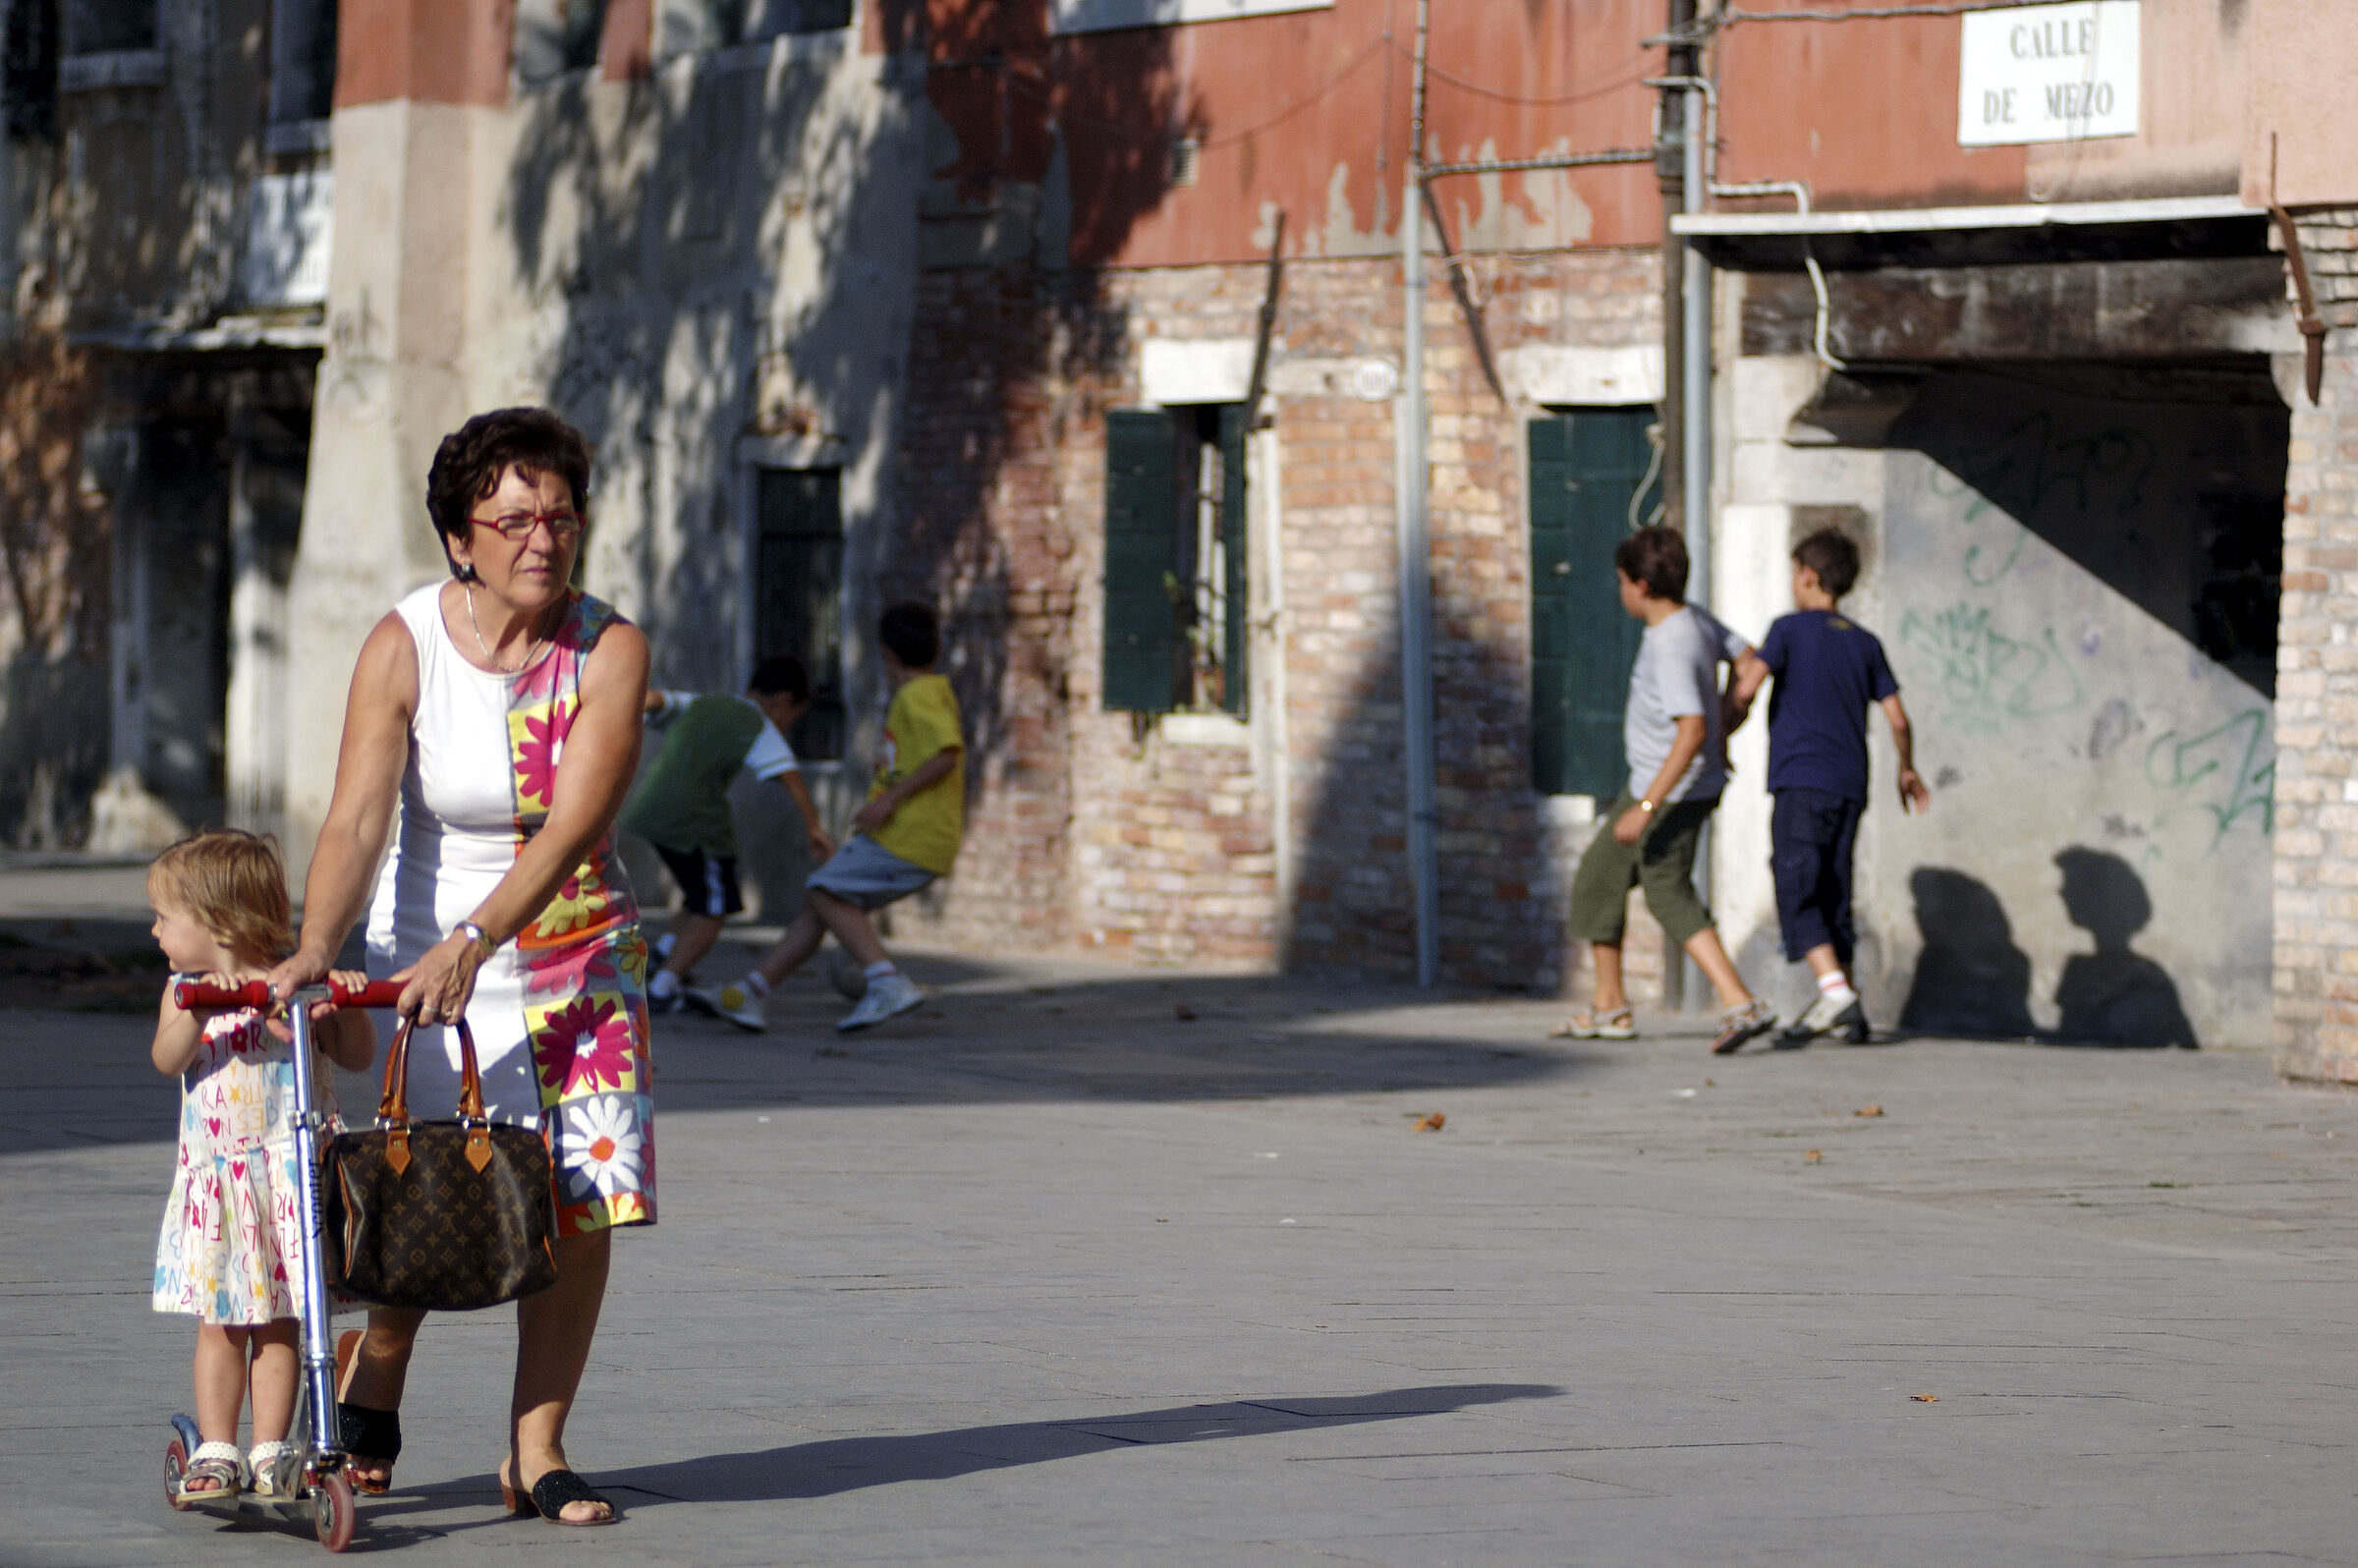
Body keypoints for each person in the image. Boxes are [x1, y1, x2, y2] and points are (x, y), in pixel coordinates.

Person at [268, 407, 651, 1527]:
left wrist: (481, 938)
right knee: (425, 1190)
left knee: (579, 1208)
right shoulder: (406, 644)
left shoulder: (608, 648)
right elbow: (354, 820)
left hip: (574, 957)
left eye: (562, 516)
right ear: (461, 538)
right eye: (517, 517)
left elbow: (575, 825)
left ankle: (539, 1449)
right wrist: (316, 950)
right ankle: (379, 1357)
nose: (545, 537)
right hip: (424, 965)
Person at [148, 829, 376, 1502]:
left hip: (289, 1177)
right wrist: (200, 1010)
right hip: (223, 1183)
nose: (154, 928)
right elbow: (167, 1058)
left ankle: (273, 1446)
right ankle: (217, 1448)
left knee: (282, 1319)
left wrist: (341, 1004)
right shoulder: (184, 989)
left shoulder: (297, 987)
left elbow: (357, 1054)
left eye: (166, 916)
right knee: (223, 1321)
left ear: (215, 920)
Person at [1553, 526, 1778, 1056]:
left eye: (1621, 581)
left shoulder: (1671, 642)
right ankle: (1610, 1005)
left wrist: (1646, 806)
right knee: (1599, 879)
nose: (1620, 590)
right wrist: (1732, 716)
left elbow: (1692, 729)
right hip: (1674, 783)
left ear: (1642, 585)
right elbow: (1750, 662)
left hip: (1668, 790)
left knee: (1665, 888)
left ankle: (1739, 1000)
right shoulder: (1694, 620)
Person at [694, 601, 963, 1034]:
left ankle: (886, 981)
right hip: (905, 835)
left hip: (909, 835)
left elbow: (946, 756)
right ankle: (752, 992)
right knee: (821, 905)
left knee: (824, 892)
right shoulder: (931, 693)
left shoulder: (918, 697)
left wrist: (888, 800)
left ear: (887, 654)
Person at [1726, 528, 1930, 1045]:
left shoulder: (1788, 630)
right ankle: (1843, 1002)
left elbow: (1749, 687)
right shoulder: (1865, 642)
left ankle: (1835, 990)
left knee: (1797, 883)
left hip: (1801, 778)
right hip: (1849, 785)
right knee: (1835, 886)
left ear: (1808, 576)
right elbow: (1899, 719)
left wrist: (1721, 726)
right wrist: (1906, 768)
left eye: (1795, 573)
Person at [622, 655, 833, 1014]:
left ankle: (661, 956)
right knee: (714, 910)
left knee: (698, 895)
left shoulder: (703, 703)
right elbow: (790, 775)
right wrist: (814, 826)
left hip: (650, 813)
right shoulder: (760, 724)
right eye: (792, 717)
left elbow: (656, 698)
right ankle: (661, 989)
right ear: (783, 701)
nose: (786, 725)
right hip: (696, 823)